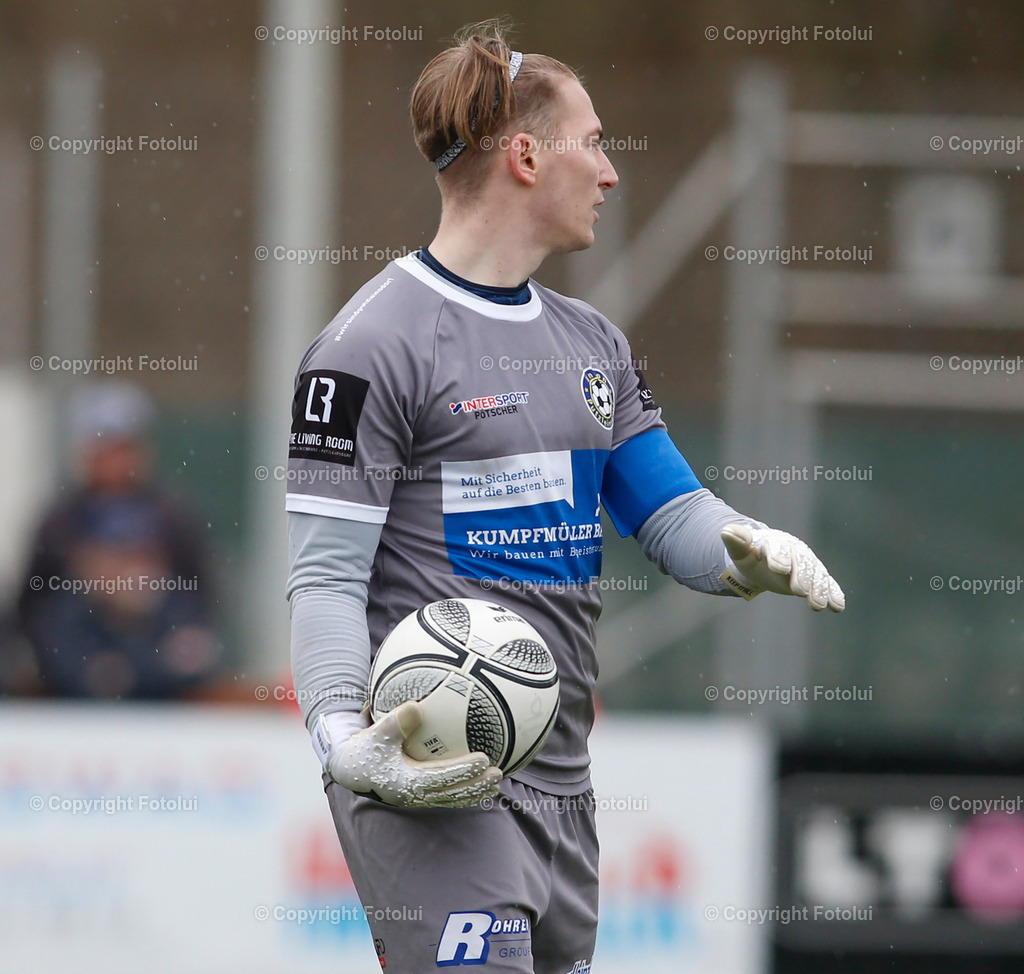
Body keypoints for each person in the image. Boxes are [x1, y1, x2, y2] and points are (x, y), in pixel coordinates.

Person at [286, 21, 844, 973]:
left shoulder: (594, 345)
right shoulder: (368, 346)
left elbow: (673, 518)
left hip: (560, 780)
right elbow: (325, 580)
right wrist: (346, 742)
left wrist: (748, 548)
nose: (610, 172)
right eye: (595, 141)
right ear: (527, 155)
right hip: (430, 773)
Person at [15, 381, 221, 699]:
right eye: (104, 447)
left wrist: (145, 587)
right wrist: (91, 582)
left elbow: (204, 597)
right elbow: (30, 605)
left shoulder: (173, 517)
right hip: (77, 668)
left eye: (123, 447)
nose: (114, 459)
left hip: (157, 661)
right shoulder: (60, 519)